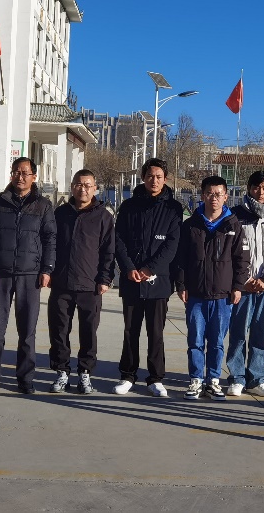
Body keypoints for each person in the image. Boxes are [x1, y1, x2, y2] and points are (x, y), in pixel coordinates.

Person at [0, 157, 56, 394]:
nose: (19, 177)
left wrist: (47, 269)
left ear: (34, 176)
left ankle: (25, 378)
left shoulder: (43, 205)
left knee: (27, 331)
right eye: (16, 172)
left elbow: (50, 239)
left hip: (29, 275)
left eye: (25, 173)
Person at [111, 158, 183, 397]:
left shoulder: (173, 208)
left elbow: (172, 244)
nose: (154, 180)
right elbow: (118, 240)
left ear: (165, 179)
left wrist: (151, 268)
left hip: (158, 281)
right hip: (132, 279)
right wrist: (128, 267)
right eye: (150, 176)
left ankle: (155, 378)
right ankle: (127, 375)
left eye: (159, 176)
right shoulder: (129, 206)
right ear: (143, 177)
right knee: (130, 331)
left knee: (156, 332)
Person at [175, 176, 250, 401]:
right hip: (196, 294)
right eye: (209, 193)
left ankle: (213, 380)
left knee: (217, 342)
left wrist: (238, 287)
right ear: (202, 196)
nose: (214, 198)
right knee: (195, 340)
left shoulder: (233, 226)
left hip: (222, 296)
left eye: (218, 194)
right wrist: (181, 284)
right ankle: (196, 379)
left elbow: (242, 260)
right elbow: (181, 259)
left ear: (226, 197)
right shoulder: (190, 225)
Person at [47, 169, 115, 394]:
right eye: (78, 184)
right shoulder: (60, 214)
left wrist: (105, 278)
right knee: (59, 331)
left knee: (88, 332)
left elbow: (108, 251)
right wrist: (48, 271)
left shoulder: (103, 216)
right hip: (61, 283)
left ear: (95, 188)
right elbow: (50, 245)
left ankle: (85, 373)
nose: (83, 189)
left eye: (87, 185)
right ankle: (61, 372)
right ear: (72, 186)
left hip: (90, 285)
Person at [226, 171, 264, 397]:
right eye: (256, 187)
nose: (260, 192)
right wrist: (244, 279)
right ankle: (236, 378)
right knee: (238, 332)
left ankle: (258, 378)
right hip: (243, 287)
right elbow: (230, 251)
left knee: (262, 332)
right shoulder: (235, 216)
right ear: (248, 188)